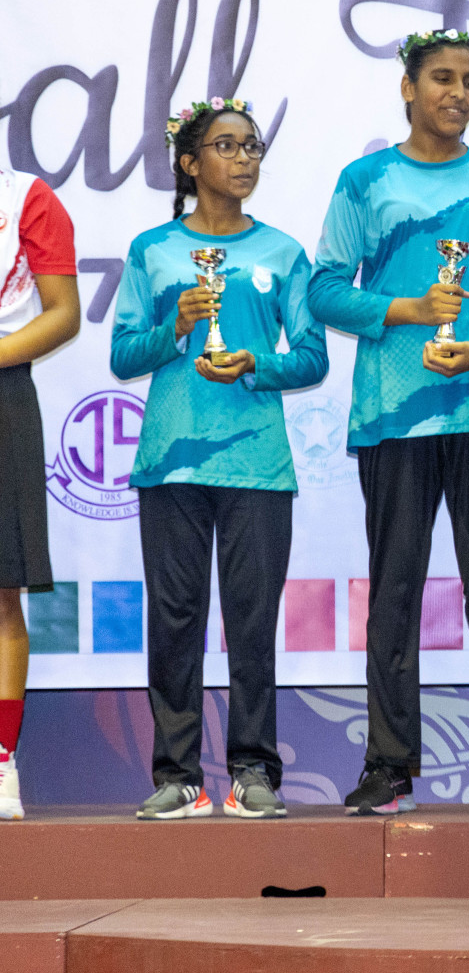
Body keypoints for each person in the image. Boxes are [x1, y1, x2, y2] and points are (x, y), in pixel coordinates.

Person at [309, 29, 469, 816]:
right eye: (442, 78)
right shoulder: (365, 180)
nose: (457, 92)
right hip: (392, 414)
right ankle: (389, 763)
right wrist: (404, 310)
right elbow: (322, 290)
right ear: (407, 88)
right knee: (397, 591)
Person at [111, 98, 328, 819]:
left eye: (253, 147)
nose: (244, 160)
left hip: (257, 465)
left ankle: (253, 770)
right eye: (228, 147)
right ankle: (177, 774)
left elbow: (311, 358)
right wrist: (175, 326)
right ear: (189, 162)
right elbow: (122, 355)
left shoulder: (284, 253)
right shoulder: (153, 251)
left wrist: (253, 363)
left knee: (252, 620)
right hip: (171, 462)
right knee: (174, 620)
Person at [0, 166, 81, 821]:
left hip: (3, 394)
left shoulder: (24, 196)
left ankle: (1, 763)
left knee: (0, 592)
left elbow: (62, 315)